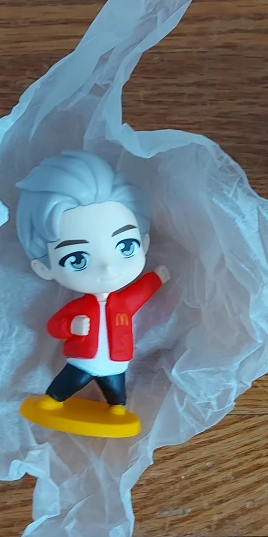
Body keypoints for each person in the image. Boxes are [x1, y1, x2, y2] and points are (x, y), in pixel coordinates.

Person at [15, 150, 169, 417]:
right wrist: (71, 326)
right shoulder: (80, 306)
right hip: (83, 360)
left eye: (126, 246)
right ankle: (53, 400)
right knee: (68, 382)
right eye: (77, 259)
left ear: (144, 244)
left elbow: (140, 293)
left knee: (116, 389)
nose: (107, 268)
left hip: (116, 361)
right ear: (44, 267)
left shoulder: (123, 302)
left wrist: (157, 278)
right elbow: (54, 325)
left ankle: (117, 408)